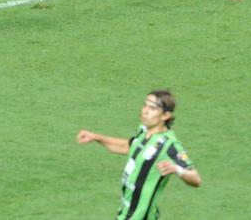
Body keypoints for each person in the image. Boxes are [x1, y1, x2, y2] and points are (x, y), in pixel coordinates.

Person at [77, 90, 201, 220]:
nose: (145, 111)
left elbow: (196, 179)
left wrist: (176, 169)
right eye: (145, 105)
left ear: (165, 115)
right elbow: (128, 147)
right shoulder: (143, 131)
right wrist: (96, 137)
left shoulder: (170, 145)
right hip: (126, 213)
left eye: (152, 108)